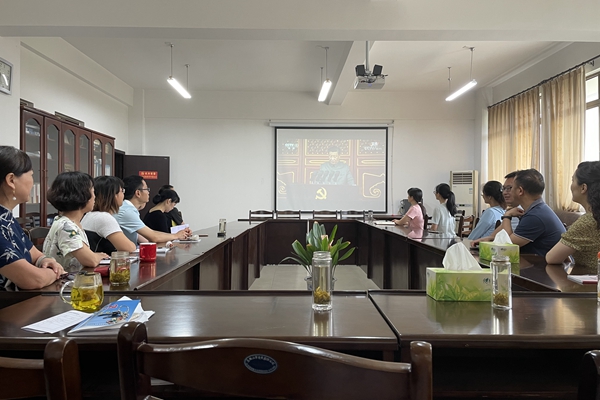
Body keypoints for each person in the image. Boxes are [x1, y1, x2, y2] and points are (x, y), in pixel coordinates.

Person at [0, 146, 65, 289]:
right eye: (31, 175)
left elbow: (35, 254)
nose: (33, 182)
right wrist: (55, 272)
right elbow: (33, 279)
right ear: (11, 180)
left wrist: (45, 260)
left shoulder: (7, 217)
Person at [478, 169, 565, 256]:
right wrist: (490, 239)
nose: (505, 192)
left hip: (542, 264)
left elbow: (507, 246)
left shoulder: (535, 216)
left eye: (511, 188)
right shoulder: (537, 210)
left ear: (520, 191)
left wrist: (507, 216)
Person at [43, 171, 109, 271]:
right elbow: (90, 261)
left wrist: (94, 256)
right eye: (92, 191)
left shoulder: (64, 220)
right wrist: (96, 256)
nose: (94, 196)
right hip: (67, 280)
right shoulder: (66, 227)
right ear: (81, 195)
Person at [546, 161, 600, 272]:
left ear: (583, 188)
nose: (571, 186)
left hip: (591, 281)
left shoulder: (588, 221)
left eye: (572, 180)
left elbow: (551, 258)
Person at [114, 175, 190, 244]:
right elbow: (153, 236)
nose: (148, 192)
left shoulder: (130, 209)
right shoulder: (127, 211)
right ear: (138, 193)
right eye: (146, 189)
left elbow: (143, 238)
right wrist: (176, 236)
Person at [81, 176, 137, 254]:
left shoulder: (89, 215)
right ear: (114, 195)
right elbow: (129, 248)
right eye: (122, 191)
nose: (123, 195)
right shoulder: (104, 218)